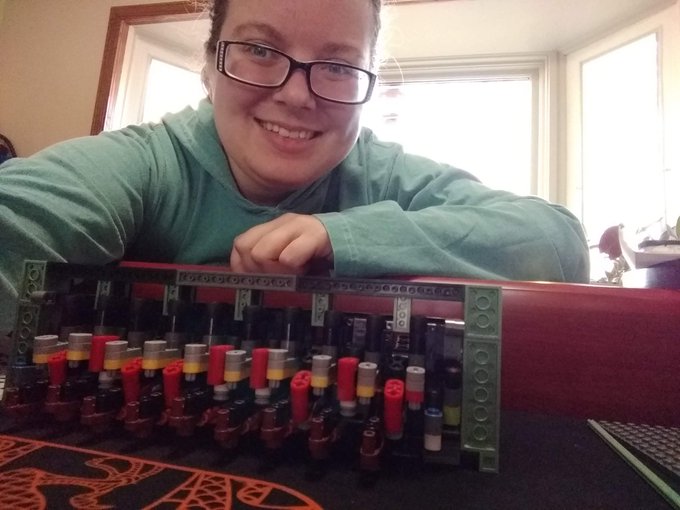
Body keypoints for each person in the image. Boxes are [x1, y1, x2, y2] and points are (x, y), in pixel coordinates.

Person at [0, 0, 589, 337]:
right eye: (259, 50)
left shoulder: (385, 176)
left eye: (337, 65)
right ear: (208, 67)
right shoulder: (143, 165)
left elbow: (557, 242)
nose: (298, 95)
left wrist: (343, 236)